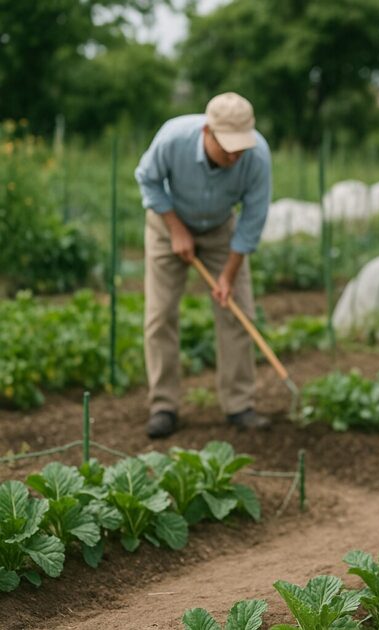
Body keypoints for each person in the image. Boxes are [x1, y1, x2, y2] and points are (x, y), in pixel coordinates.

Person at [135, 92, 272, 439]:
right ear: (206, 132)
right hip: (168, 225)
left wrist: (227, 275)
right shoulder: (173, 138)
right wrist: (176, 229)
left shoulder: (257, 157)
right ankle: (163, 405)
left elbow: (252, 220)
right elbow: (147, 178)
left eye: (240, 147)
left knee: (237, 311)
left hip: (220, 230)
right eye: (226, 146)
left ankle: (239, 404)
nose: (233, 154)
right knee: (160, 314)